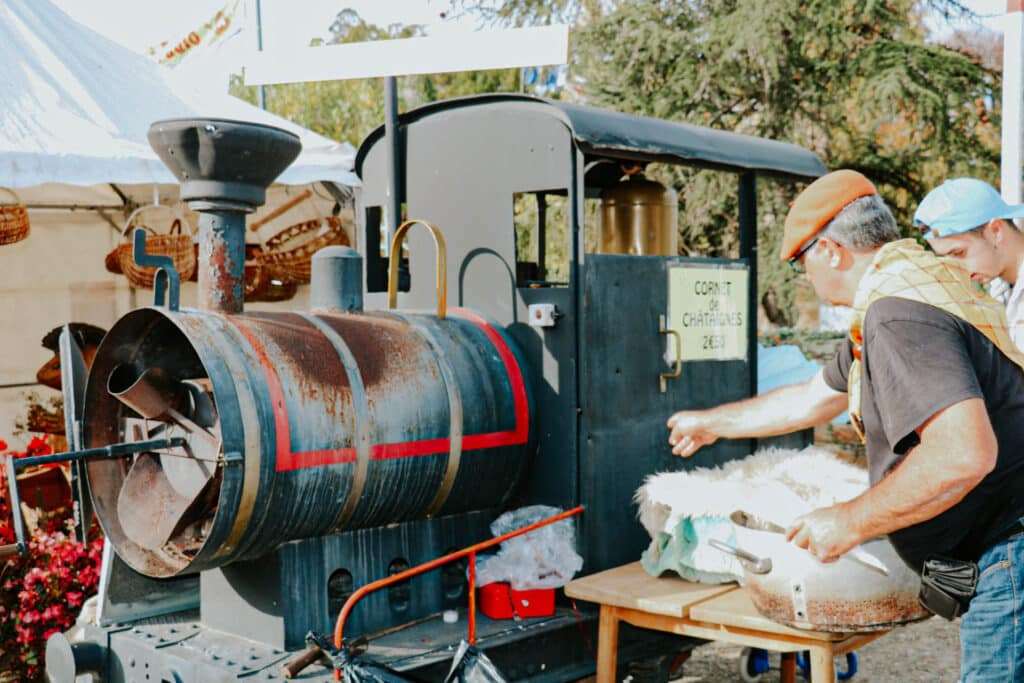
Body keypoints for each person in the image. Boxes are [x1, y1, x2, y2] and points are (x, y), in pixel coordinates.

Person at [667, 169, 1024, 681]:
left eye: (800, 262)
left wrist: (850, 521)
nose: (803, 275)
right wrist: (711, 424)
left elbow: (962, 454)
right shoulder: (912, 283)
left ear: (830, 251)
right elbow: (813, 399)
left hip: (1009, 551)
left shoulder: (898, 314)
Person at [914, 177, 1024, 352]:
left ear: (995, 231)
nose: (957, 269)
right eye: (946, 259)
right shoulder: (998, 292)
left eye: (959, 253)